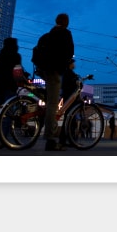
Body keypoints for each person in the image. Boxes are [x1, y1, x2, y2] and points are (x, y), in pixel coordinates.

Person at [38, 13, 74, 152]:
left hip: (46, 71)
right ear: (66, 22)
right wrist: (66, 63)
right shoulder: (65, 34)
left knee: (50, 103)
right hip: (55, 71)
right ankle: (50, 139)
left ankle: (48, 133)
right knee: (52, 105)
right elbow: (70, 52)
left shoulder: (48, 34)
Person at [0, 36, 22, 148]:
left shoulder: (0, 56)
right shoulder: (16, 56)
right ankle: (3, 139)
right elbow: (18, 71)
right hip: (9, 87)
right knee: (8, 113)